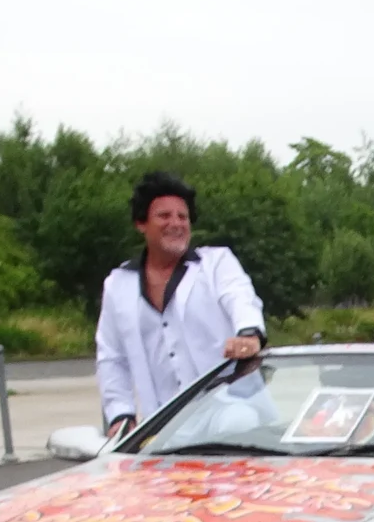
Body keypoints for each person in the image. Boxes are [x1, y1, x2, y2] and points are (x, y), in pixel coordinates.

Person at [95, 172, 267, 433]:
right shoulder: (118, 284)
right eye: (164, 216)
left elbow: (241, 298)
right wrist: (121, 414)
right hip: (164, 428)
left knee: (238, 422)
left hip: (233, 412)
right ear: (141, 224)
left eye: (182, 217)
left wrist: (248, 333)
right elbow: (111, 356)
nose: (176, 223)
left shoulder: (216, 263)